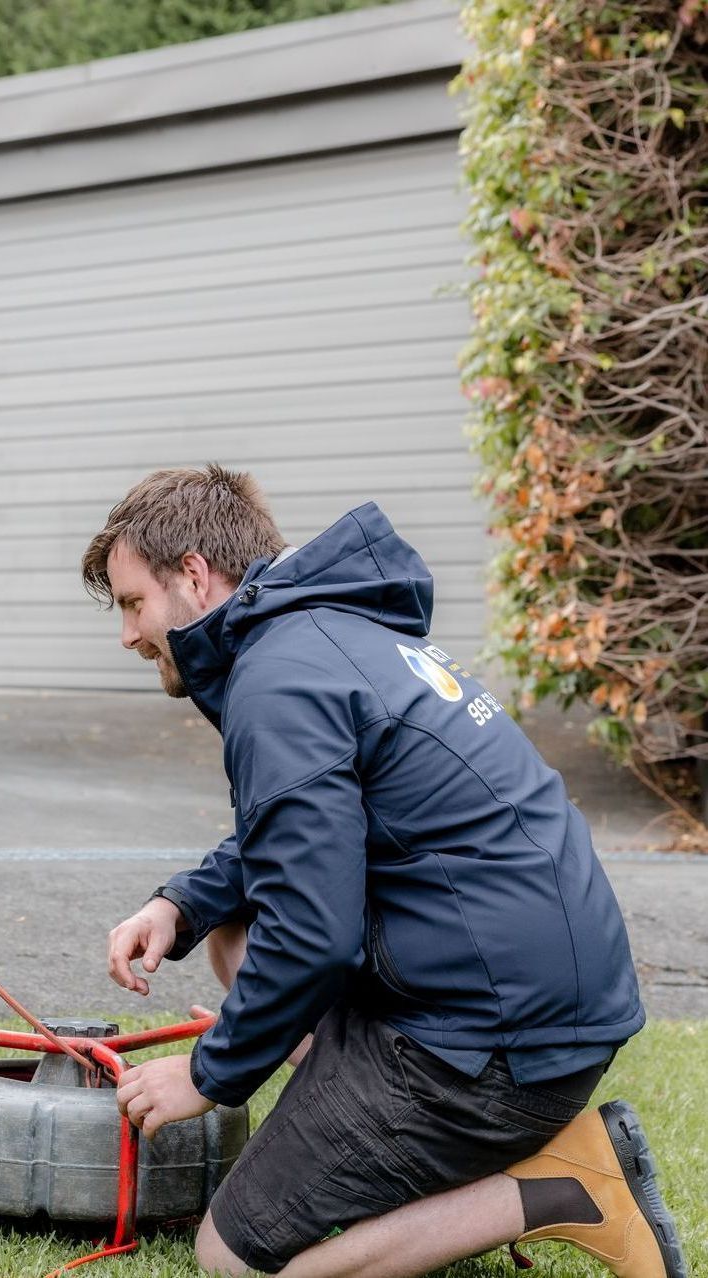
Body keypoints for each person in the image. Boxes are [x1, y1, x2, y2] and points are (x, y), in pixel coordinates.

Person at [93, 466, 685, 1278]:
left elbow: (314, 934)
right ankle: (371, 1129)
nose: (128, 634)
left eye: (133, 604)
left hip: (498, 1049)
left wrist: (207, 1074)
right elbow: (307, 830)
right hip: (536, 1000)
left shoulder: (277, 680)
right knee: (233, 927)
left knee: (235, 1255)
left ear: (194, 575)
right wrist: (182, 904)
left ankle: (563, 1187)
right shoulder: (324, 631)